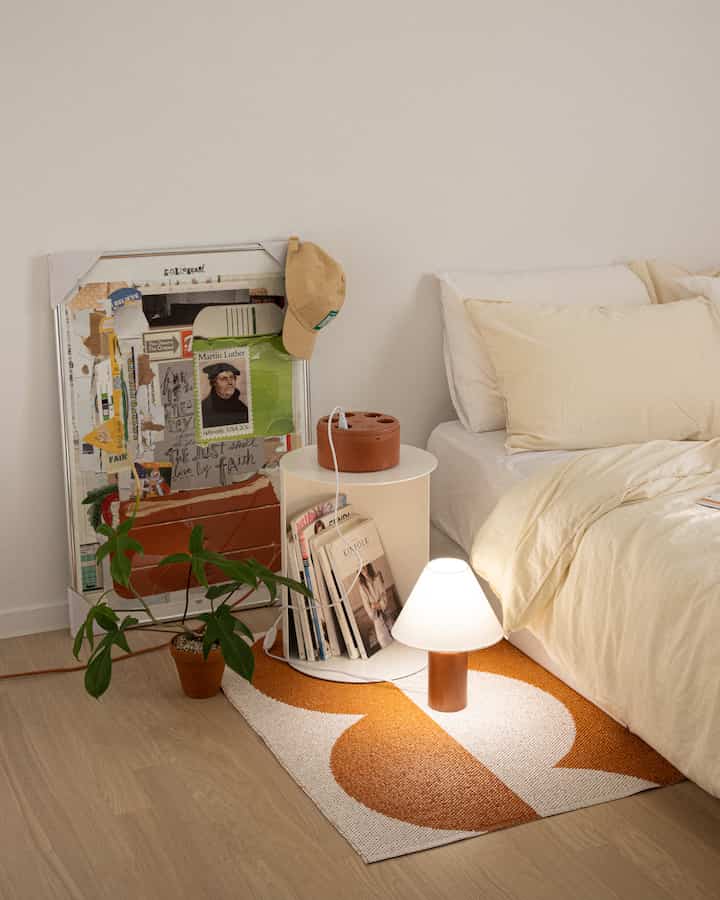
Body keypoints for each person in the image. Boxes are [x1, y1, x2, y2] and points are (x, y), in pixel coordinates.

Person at [201, 362, 249, 428]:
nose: (230, 382)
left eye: (232, 377)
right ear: (214, 383)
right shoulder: (204, 409)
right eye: (224, 379)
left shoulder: (242, 407)